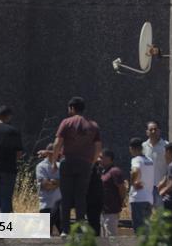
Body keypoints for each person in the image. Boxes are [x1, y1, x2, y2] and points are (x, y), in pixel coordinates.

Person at [49, 96, 102, 235]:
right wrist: (92, 162)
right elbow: (98, 147)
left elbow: (57, 143)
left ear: (72, 108)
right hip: (85, 163)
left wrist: (54, 161)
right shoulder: (93, 126)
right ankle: (80, 228)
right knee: (81, 197)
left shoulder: (66, 122)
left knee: (66, 196)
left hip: (68, 161)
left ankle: (65, 230)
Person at [128, 138, 155, 234]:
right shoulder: (149, 160)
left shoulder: (136, 159)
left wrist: (133, 182)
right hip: (149, 198)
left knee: (139, 229)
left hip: (138, 198)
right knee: (147, 228)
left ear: (131, 148)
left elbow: (135, 170)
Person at [98, 150, 125, 237]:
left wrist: (120, 201)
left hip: (112, 211)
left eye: (101, 157)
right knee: (103, 238)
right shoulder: (103, 172)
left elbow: (122, 188)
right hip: (103, 210)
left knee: (112, 237)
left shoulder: (115, 171)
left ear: (109, 158)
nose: (99, 160)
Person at [36, 143, 61, 237]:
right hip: (46, 205)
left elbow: (65, 183)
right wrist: (59, 183)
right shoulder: (41, 166)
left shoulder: (60, 165)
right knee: (45, 235)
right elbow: (46, 185)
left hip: (59, 206)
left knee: (65, 235)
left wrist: (55, 182)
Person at [143, 121, 169, 207]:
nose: (153, 132)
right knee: (146, 216)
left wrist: (165, 182)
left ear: (159, 131)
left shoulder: (166, 146)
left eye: (155, 129)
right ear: (147, 132)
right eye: (151, 130)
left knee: (159, 216)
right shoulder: (143, 147)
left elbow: (170, 166)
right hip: (146, 188)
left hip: (161, 186)